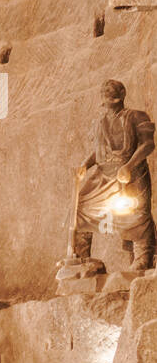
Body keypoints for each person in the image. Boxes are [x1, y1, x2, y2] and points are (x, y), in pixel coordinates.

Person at [71, 79, 156, 272]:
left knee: (136, 212)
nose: (107, 96)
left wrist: (129, 166)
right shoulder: (100, 122)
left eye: (111, 92)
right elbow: (99, 151)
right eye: (104, 92)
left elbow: (148, 144)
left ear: (121, 94)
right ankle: (83, 260)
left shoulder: (136, 116)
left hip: (130, 174)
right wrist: (85, 165)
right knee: (81, 206)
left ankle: (143, 257)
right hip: (104, 175)